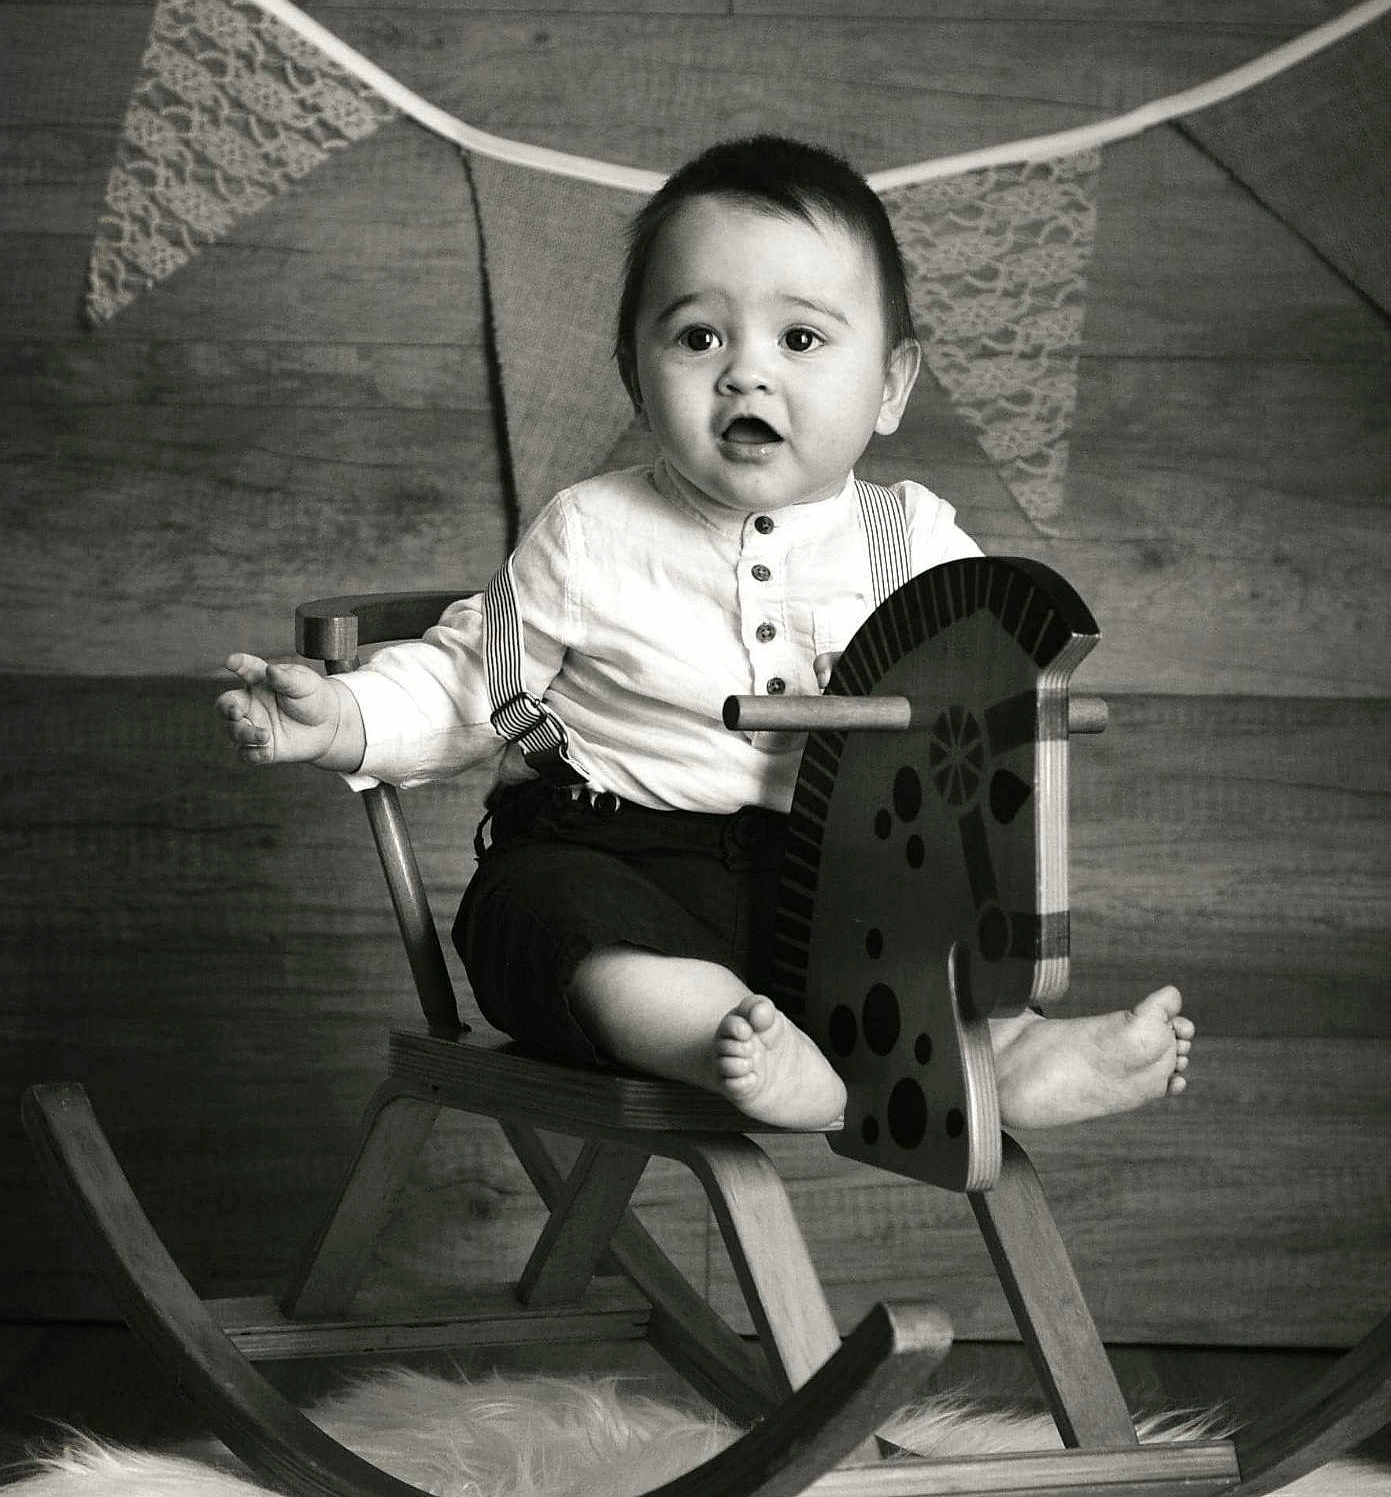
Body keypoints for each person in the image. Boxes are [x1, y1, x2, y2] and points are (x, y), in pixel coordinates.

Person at [216, 134, 1192, 1134]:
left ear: (892, 383)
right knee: (544, 920)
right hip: (613, 855)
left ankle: (1010, 1052)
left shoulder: (914, 540)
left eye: (800, 341)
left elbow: (989, 702)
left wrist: (1005, 722)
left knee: (925, 912)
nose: (744, 376)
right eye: (697, 339)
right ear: (636, 378)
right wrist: (337, 717)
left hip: (827, 878)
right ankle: (726, 1040)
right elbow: (468, 678)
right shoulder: (589, 532)